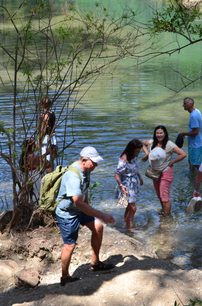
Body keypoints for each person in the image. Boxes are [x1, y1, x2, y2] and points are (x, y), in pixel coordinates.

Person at [55, 146, 115, 286]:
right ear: (83, 160)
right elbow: (79, 203)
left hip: (79, 208)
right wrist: (102, 214)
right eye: (93, 162)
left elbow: (84, 192)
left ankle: (95, 263)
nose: (96, 165)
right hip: (67, 213)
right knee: (70, 245)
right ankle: (65, 277)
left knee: (98, 226)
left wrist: (90, 210)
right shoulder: (73, 177)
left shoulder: (86, 170)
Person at [142, 125, 186, 217]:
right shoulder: (152, 142)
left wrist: (172, 162)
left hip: (165, 172)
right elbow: (141, 143)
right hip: (154, 172)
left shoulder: (169, 144)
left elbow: (183, 154)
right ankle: (164, 213)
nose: (159, 135)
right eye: (157, 133)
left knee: (165, 197)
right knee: (159, 196)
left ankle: (167, 217)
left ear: (165, 133)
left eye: (161, 133)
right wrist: (147, 154)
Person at [114, 139, 143, 231]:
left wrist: (140, 177)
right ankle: (130, 228)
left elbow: (134, 168)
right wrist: (121, 185)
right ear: (132, 149)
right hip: (126, 185)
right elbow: (117, 173)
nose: (138, 153)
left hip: (133, 183)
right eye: (137, 151)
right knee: (133, 208)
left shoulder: (133, 156)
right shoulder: (124, 159)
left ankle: (126, 223)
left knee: (129, 207)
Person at [179, 97, 202, 173]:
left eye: (184, 103)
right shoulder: (197, 111)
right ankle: (192, 178)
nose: (183, 105)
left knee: (197, 165)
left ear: (190, 104)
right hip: (195, 143)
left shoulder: (193, 116)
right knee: (191, 162)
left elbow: (195, 132)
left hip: (195, 145)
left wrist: (183, 134)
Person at [39, 97, 57, 173]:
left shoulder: (45, 116)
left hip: (46, 139)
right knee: (51, 157)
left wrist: (38, 141)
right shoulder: (52, 114)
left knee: (45, 158)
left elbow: (43, 130)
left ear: (41, 104)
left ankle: (47, 176)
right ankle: (52, 173)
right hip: (53, 137)